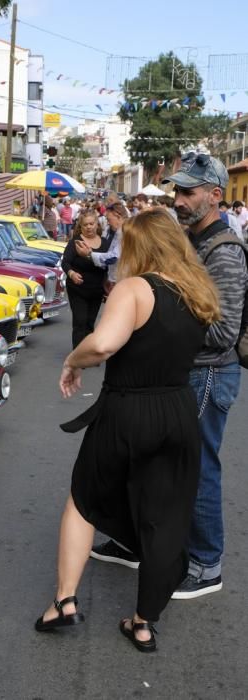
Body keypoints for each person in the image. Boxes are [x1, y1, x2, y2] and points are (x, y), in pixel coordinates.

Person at [35, 208, 220, 653]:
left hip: (127, 410)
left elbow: (102, 343)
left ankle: (64, 603)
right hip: (177, 411)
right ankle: (142, 623)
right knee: (164, 516)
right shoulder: (197, 292)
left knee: (84, 498)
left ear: (141, 246)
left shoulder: (136, 288)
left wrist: (71, 361)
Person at [92, 153, 248, 599]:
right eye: (177, 191)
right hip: (180, 376)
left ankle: (205, 563)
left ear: (216, 196)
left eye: (188, 192)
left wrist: (158, 329)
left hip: (208, 377)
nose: (178, 200)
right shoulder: (188, 242)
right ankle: (137, 542)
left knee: (197, 469)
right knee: (148, 461)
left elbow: (223, 332)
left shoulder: (224, 253)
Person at [61, 211, 108, 348]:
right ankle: (77, 354)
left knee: (90, 322)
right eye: (85, 224)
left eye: (91, 224)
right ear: (80, 226)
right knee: (80, 321)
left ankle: (87, 352)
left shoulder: (105, 243)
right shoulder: (75, 242)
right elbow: (65, 262)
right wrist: (71, 274)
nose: (89, 227)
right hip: (77, 289)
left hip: (97, 289)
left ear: (97, 224)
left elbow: (109, 265)